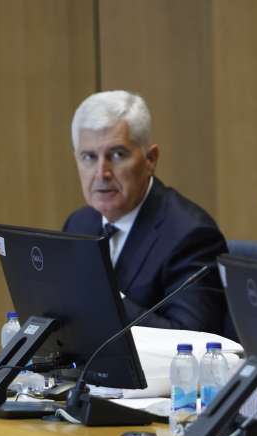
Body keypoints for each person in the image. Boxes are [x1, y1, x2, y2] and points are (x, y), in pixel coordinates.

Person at [63, 90, 228, 334]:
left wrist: (104, 298)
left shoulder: (191, 235)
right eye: (89, 157)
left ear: (150, 159)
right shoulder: (79, 224)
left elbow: (191, 338)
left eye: (117, 155)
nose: (101, 173)